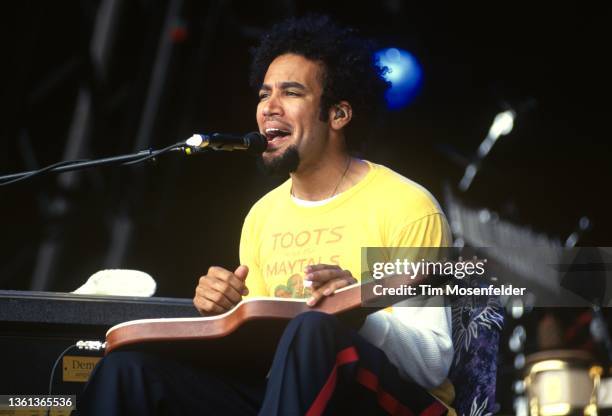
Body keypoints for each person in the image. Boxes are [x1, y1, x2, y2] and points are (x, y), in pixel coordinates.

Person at [78, 15, 454, 415]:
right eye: (263, 95)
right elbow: (267, 357)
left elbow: (430, 365)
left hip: (393, 405)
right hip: (289, 397)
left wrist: (355, 308)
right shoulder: (264, 215)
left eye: (291, 93)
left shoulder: (403, 207)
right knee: (128, 371)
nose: (269, 108)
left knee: (315, 329)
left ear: (339, 115)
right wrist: (227, 314)